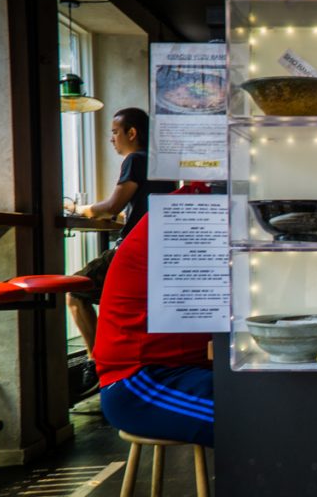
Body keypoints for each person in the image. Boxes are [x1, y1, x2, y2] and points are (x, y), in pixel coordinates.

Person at [63, 107, 176, 391]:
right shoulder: (162, 165)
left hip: (133, 250)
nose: (111, 139)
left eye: (115, 132)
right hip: (158, 249)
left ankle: (95, 361)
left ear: (132, 133)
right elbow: (140, 210)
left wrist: (79, 209)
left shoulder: (135, 159)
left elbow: (112, 206)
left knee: (75, 292)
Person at [93, 183, 214, 446]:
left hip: (185, 369)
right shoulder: (189, 211)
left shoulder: (209, 205)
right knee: (258, 416)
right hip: (141, 380)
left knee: (277, 403)